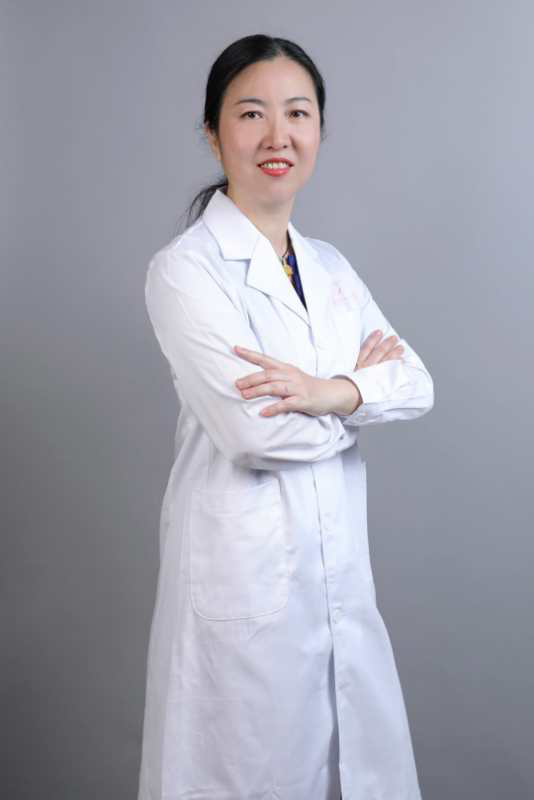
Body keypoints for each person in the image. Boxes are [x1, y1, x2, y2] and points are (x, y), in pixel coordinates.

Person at [137, 33, 434, 800]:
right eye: (251, 114)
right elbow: (255, 433)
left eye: (298, 113)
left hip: (338, 591)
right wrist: (362, 394)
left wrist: (328, 391)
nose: (278, 135)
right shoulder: (186, 271)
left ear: (320, 130)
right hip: (245, 599)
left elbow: (416, 383)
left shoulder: (331, 268)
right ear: (213, 133)